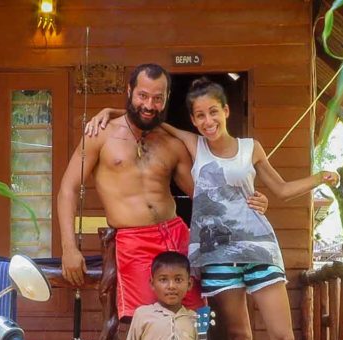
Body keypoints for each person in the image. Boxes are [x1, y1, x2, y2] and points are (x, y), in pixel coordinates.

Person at [86, 78, 339, 340]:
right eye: (200, 115)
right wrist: (110, 111)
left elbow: (281, 190)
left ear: (227, 111)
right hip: (216, 254)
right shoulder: (194, 146)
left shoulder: (250, 147)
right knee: (239, 337)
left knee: (283, 338)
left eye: (214, 112)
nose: (208, 120)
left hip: (258, 248)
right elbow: (148, 120)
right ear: (193, 120)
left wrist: (320, 177)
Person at [57, 64, 268, 321]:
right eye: (142, 96)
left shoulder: (171, 143)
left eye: (158, 98)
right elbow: (67, 189)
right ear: (129, 91)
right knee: (147, 323)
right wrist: (69, 248)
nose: (149, 104)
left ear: (166, 98)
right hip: (134, 240)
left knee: (193, 319)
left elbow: (205, 196)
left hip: (177, 236)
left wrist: (252, 201)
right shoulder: (99, 134)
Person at [110, 251, 218, 340]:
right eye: (163, 280)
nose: (171, 286)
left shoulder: (195, 320)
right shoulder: (143, 315)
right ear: (152, 283)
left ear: (189, 284)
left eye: (178, 280)